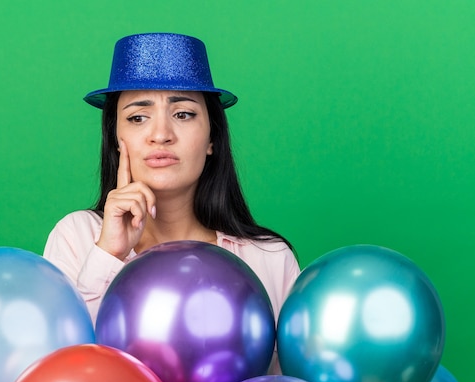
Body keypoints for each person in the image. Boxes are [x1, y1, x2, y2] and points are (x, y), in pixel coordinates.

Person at [43, 32, 299, 332]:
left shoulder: (268, 258)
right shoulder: (77, 238)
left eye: (183, 114)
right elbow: (60, 362)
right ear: (115, 138)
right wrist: (108, 255)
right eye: (138, 118)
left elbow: (285, 378)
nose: (161, 134)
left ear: (212, 138)